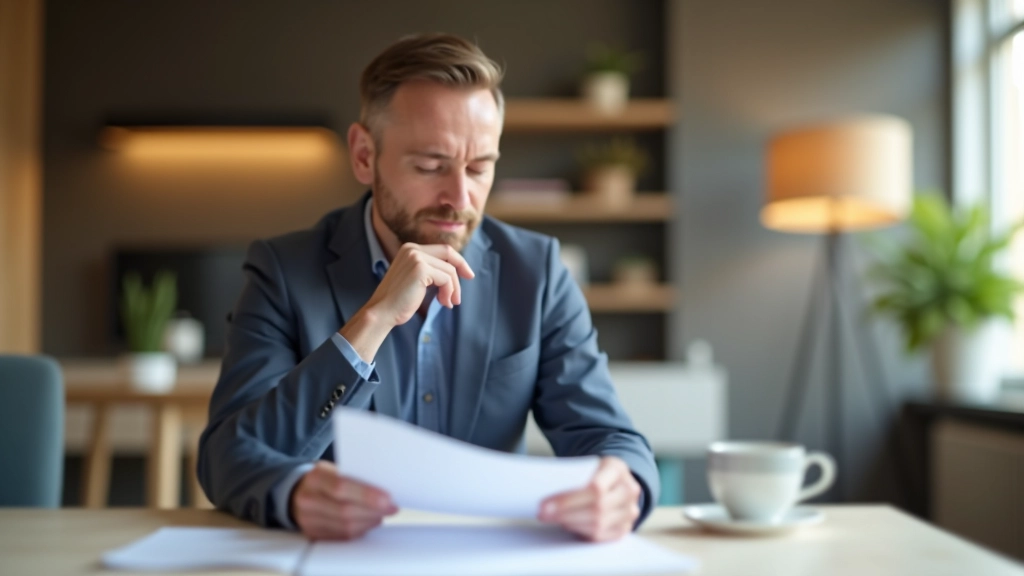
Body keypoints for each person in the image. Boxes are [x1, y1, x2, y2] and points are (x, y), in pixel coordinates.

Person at [197, 33, 658, 543]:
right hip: (342, 558)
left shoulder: (539, 271)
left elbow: (610, 435)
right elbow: (227, 456)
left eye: (480, 167)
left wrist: (622, 485)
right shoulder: (283, 271)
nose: (459, 198)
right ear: (364, 156)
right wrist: (368, 326)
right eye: (431, 166)